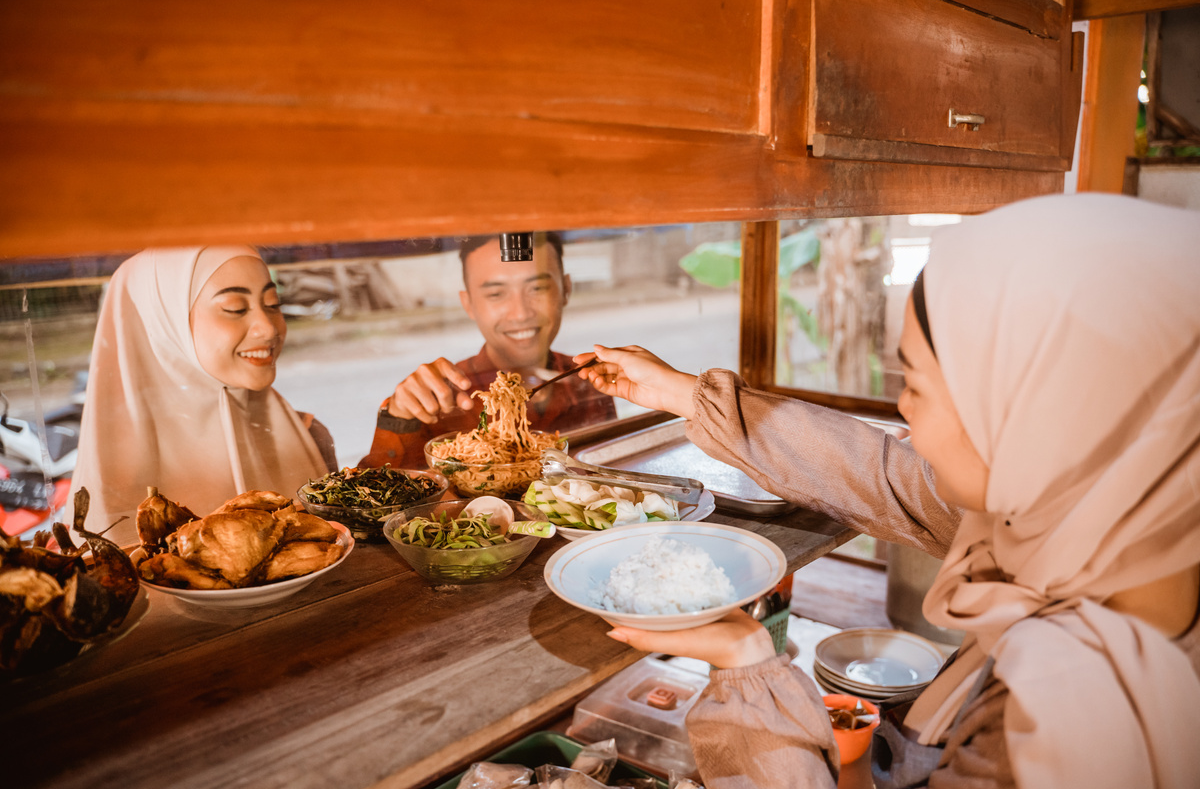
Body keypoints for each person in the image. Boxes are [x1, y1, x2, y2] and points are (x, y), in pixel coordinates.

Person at [573, 193, 1200, 788]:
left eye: (918, 387)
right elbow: (885, 476)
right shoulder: (1099, 529)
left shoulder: (1067, 724)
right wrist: (685, 394)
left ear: (1032, 417)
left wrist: (748, 669)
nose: (904, 416)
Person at [69, 246, 337, 547]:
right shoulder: (112, 476)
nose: (268, 328)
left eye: (273, 303)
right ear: (165, 324)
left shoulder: (310, 437)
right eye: (235, 308)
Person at [359, 232, 616, 469]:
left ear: (566, 290)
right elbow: (375, 500)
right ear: (468, 304)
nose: (521, 313)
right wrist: (400, 417)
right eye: (496, 294)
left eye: (537, 288)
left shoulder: (589, 380)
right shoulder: (438, 399)